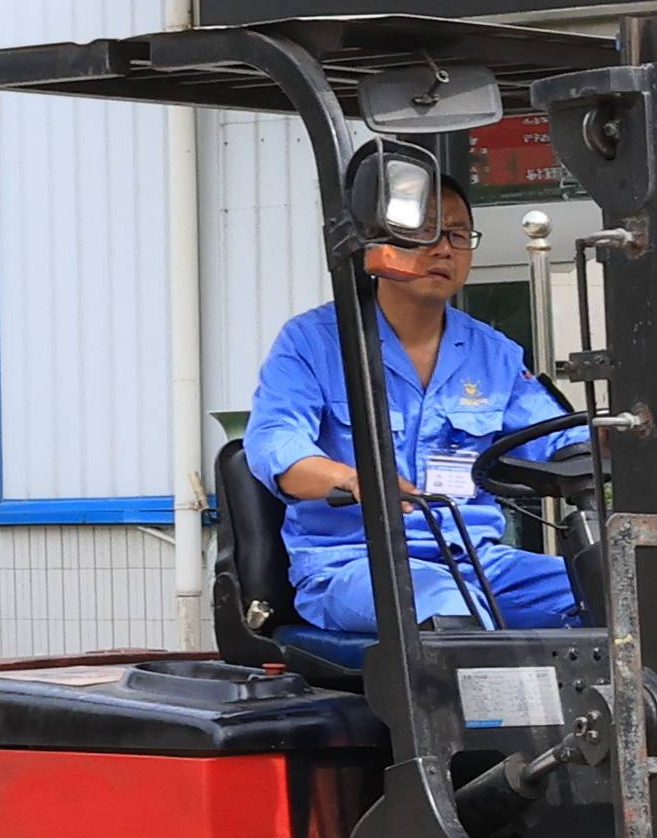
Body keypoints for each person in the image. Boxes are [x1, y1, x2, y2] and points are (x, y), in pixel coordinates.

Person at [244, 154, 583, 634]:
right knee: (449, 611)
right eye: (426, 231)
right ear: (379, 243)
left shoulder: (495, 354)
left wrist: (617, 442)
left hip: (478, 563)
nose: (444, 249)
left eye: (459, 235)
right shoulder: (313, 342)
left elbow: (556, 444)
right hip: (358, 565)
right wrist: (355, 479)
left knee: (615, 588)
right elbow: (275, 445)